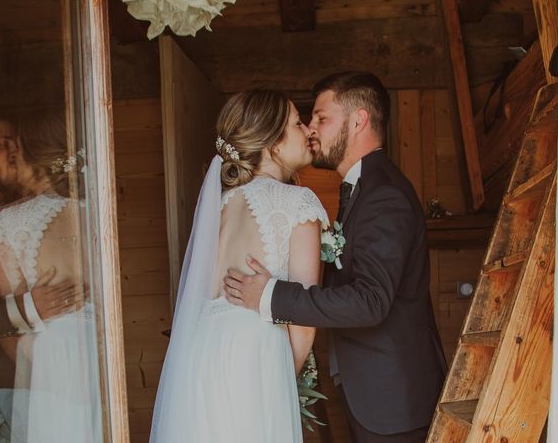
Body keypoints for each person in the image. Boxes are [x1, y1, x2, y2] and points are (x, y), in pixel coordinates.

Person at [224, 72, 448, 443]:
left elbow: (370, 301)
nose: (312, 129)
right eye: (308, 120)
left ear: (358, 120)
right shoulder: (364, 190)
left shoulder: (383, 195)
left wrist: (271, 295)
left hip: (394, 399)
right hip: (375, 394)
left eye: (321, 119)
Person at [150, 89, 329, 442]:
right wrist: (283, 380)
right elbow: (305, 317)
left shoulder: (218, 206)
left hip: (202, 353)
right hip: (256, 351)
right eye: (296, 123)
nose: (308, 130)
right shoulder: (298, 201)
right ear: (273, 143)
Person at [0, 108, 101, 442]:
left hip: (51, 364)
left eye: (10, 144)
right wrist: (27, 308)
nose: (6, 153)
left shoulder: (14, 220)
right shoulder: (95, 212)